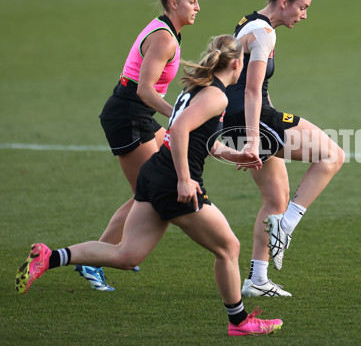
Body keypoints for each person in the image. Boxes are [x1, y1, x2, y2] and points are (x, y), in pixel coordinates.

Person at [16, 35, 283, 337]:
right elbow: (179, 128)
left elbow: (201, 138)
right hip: (173, 181)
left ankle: (49, 257)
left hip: (154, 173)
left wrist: (237, 154)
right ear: (236, 63)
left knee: (126, 255)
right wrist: (185, 178)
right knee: (229, 247)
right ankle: (239, 322)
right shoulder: (216, 96)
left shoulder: (198, 88)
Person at [76, 0, 200, 291]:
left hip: (138, 114)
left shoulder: (170, 33)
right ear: (173, 3)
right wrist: (177, 115)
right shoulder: (162, 37)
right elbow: (145, 89)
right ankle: (95, 260)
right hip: (129, 114)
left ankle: (121, 248)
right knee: (147, 192)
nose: (197, 7)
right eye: (192, 1)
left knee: (164, 174)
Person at [222, 0, 345, 298]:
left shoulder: (250, 22)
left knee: (275, 199)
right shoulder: (263, 33)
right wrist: (251, 140)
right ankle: (288, 225)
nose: (304, 15)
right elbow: (250, 89)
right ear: (284, 2)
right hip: (251, 120)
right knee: (332, 156)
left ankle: (257, 281)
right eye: (302, 7)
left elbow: (252, 87)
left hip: (239, 120)